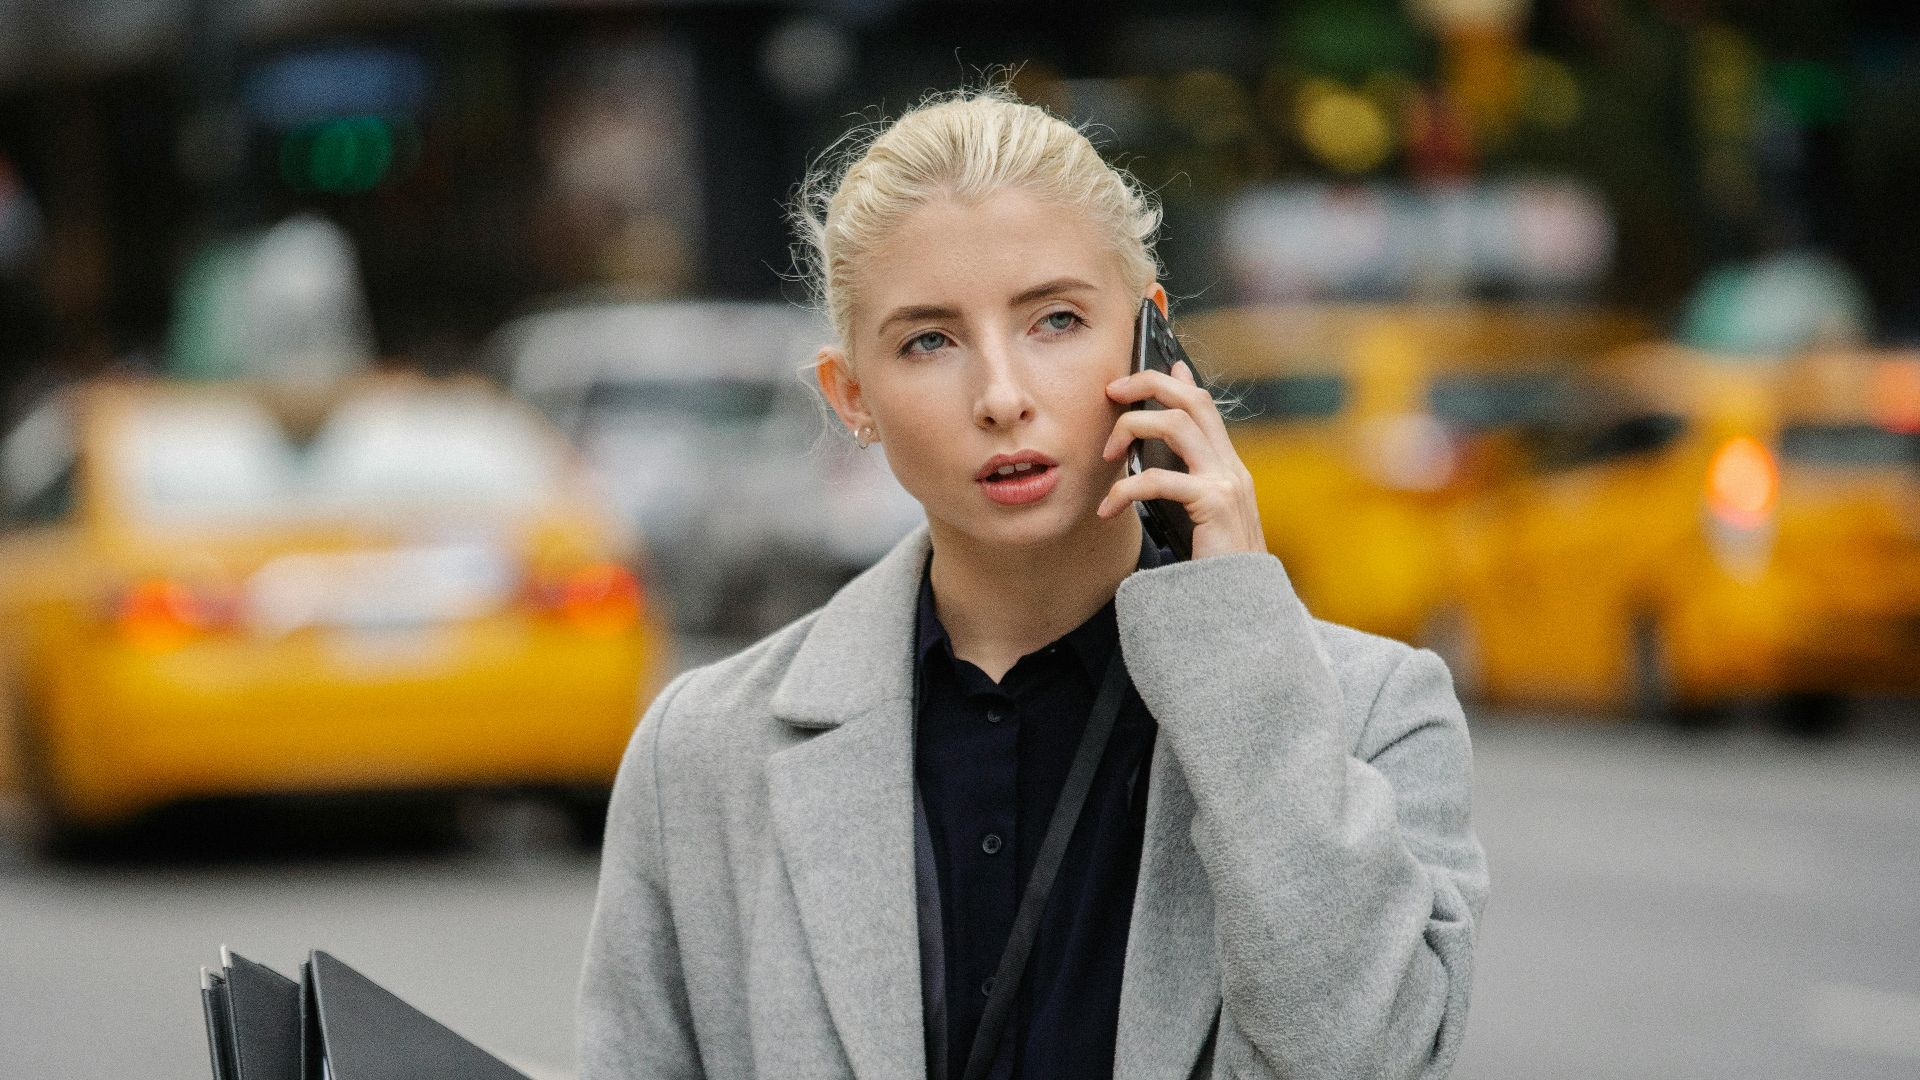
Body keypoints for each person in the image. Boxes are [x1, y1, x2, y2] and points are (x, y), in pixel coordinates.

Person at [576, 85, 1488, 1080]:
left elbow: (1363, 1055)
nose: (1002, 397)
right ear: (853, 397)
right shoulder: (706, 751)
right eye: (929, 341)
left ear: (1152, 340)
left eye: (1054, 321)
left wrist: (1234, 635)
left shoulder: (1375, 713)